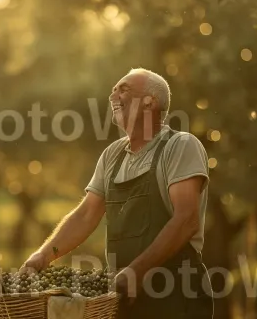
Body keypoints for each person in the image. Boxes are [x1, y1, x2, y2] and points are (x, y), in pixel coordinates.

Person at [21, 68, 214, 318]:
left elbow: (187, 220)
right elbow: (86, 214)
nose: (114, 95)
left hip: (176, 295)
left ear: (149, 102)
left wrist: (136, 271)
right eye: (113, 90)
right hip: (126, 298)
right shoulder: (112, 155)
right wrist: (43, 256)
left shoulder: (180, 146)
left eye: (124, 89)